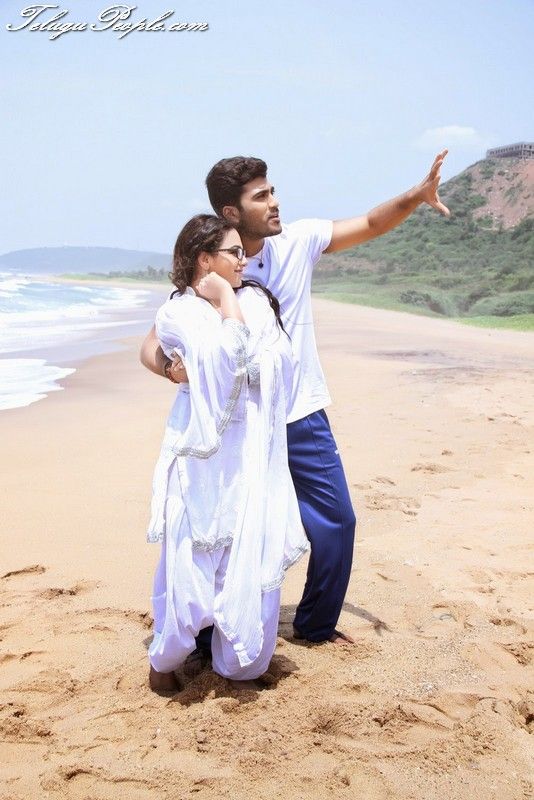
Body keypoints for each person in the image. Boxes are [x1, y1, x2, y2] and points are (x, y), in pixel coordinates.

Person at [141, 152, 450, 649]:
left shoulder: (298, 242)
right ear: (231, 212)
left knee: (338, 521)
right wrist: (171, 369)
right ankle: (204, 633)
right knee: (224, 527)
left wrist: (416, 195)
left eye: (273, 191)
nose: (275, 202)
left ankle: (316, 625)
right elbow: (152, 345)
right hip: (236, 425)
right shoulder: (214, 268)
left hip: (299, 411)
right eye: (261, 196)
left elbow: (371, 223)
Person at [147, 214, 309, 692]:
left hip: (251, 452)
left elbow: (279, 360)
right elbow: (231, 362)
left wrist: (231, 306)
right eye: (234, 252)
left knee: (248, 555)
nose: (244, 260)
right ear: (205, 259)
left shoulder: (256, 301)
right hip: (199, 458)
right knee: (191, 568)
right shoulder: (178, 313)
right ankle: (165, 660)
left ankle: (239, 663)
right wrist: (223, 302)